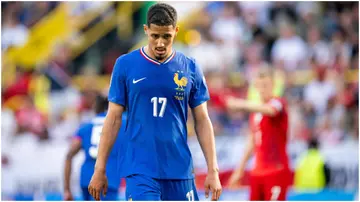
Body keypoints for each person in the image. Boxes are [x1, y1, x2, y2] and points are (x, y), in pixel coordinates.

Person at [88, 3, 222, 201]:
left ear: (176, 31)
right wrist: (99, 169)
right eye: (155, 36)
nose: (160, 43)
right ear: (146, 30)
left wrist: (213, 169)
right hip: (140, 169)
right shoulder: (125, 65)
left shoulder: (190, 67)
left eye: (166, 36)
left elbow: (202, 120)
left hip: (180, 170)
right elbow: (113, 118)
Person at [226, 67, 290, 201]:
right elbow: (252, 141)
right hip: (257, 171)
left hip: (276, 170)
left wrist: (241, 104)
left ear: (273, 85)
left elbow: (271, 110)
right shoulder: (256, 112)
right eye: (259, 85)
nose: (262, 89)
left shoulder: (278, 103)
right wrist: (240, 170)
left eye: (265, 85)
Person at [63, 95, 125, 201]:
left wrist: (67, 189)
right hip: (107, 179)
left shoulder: (85, 127)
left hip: (86, 179)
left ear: (95, 108)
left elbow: (69, 156)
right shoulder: (121, 124)